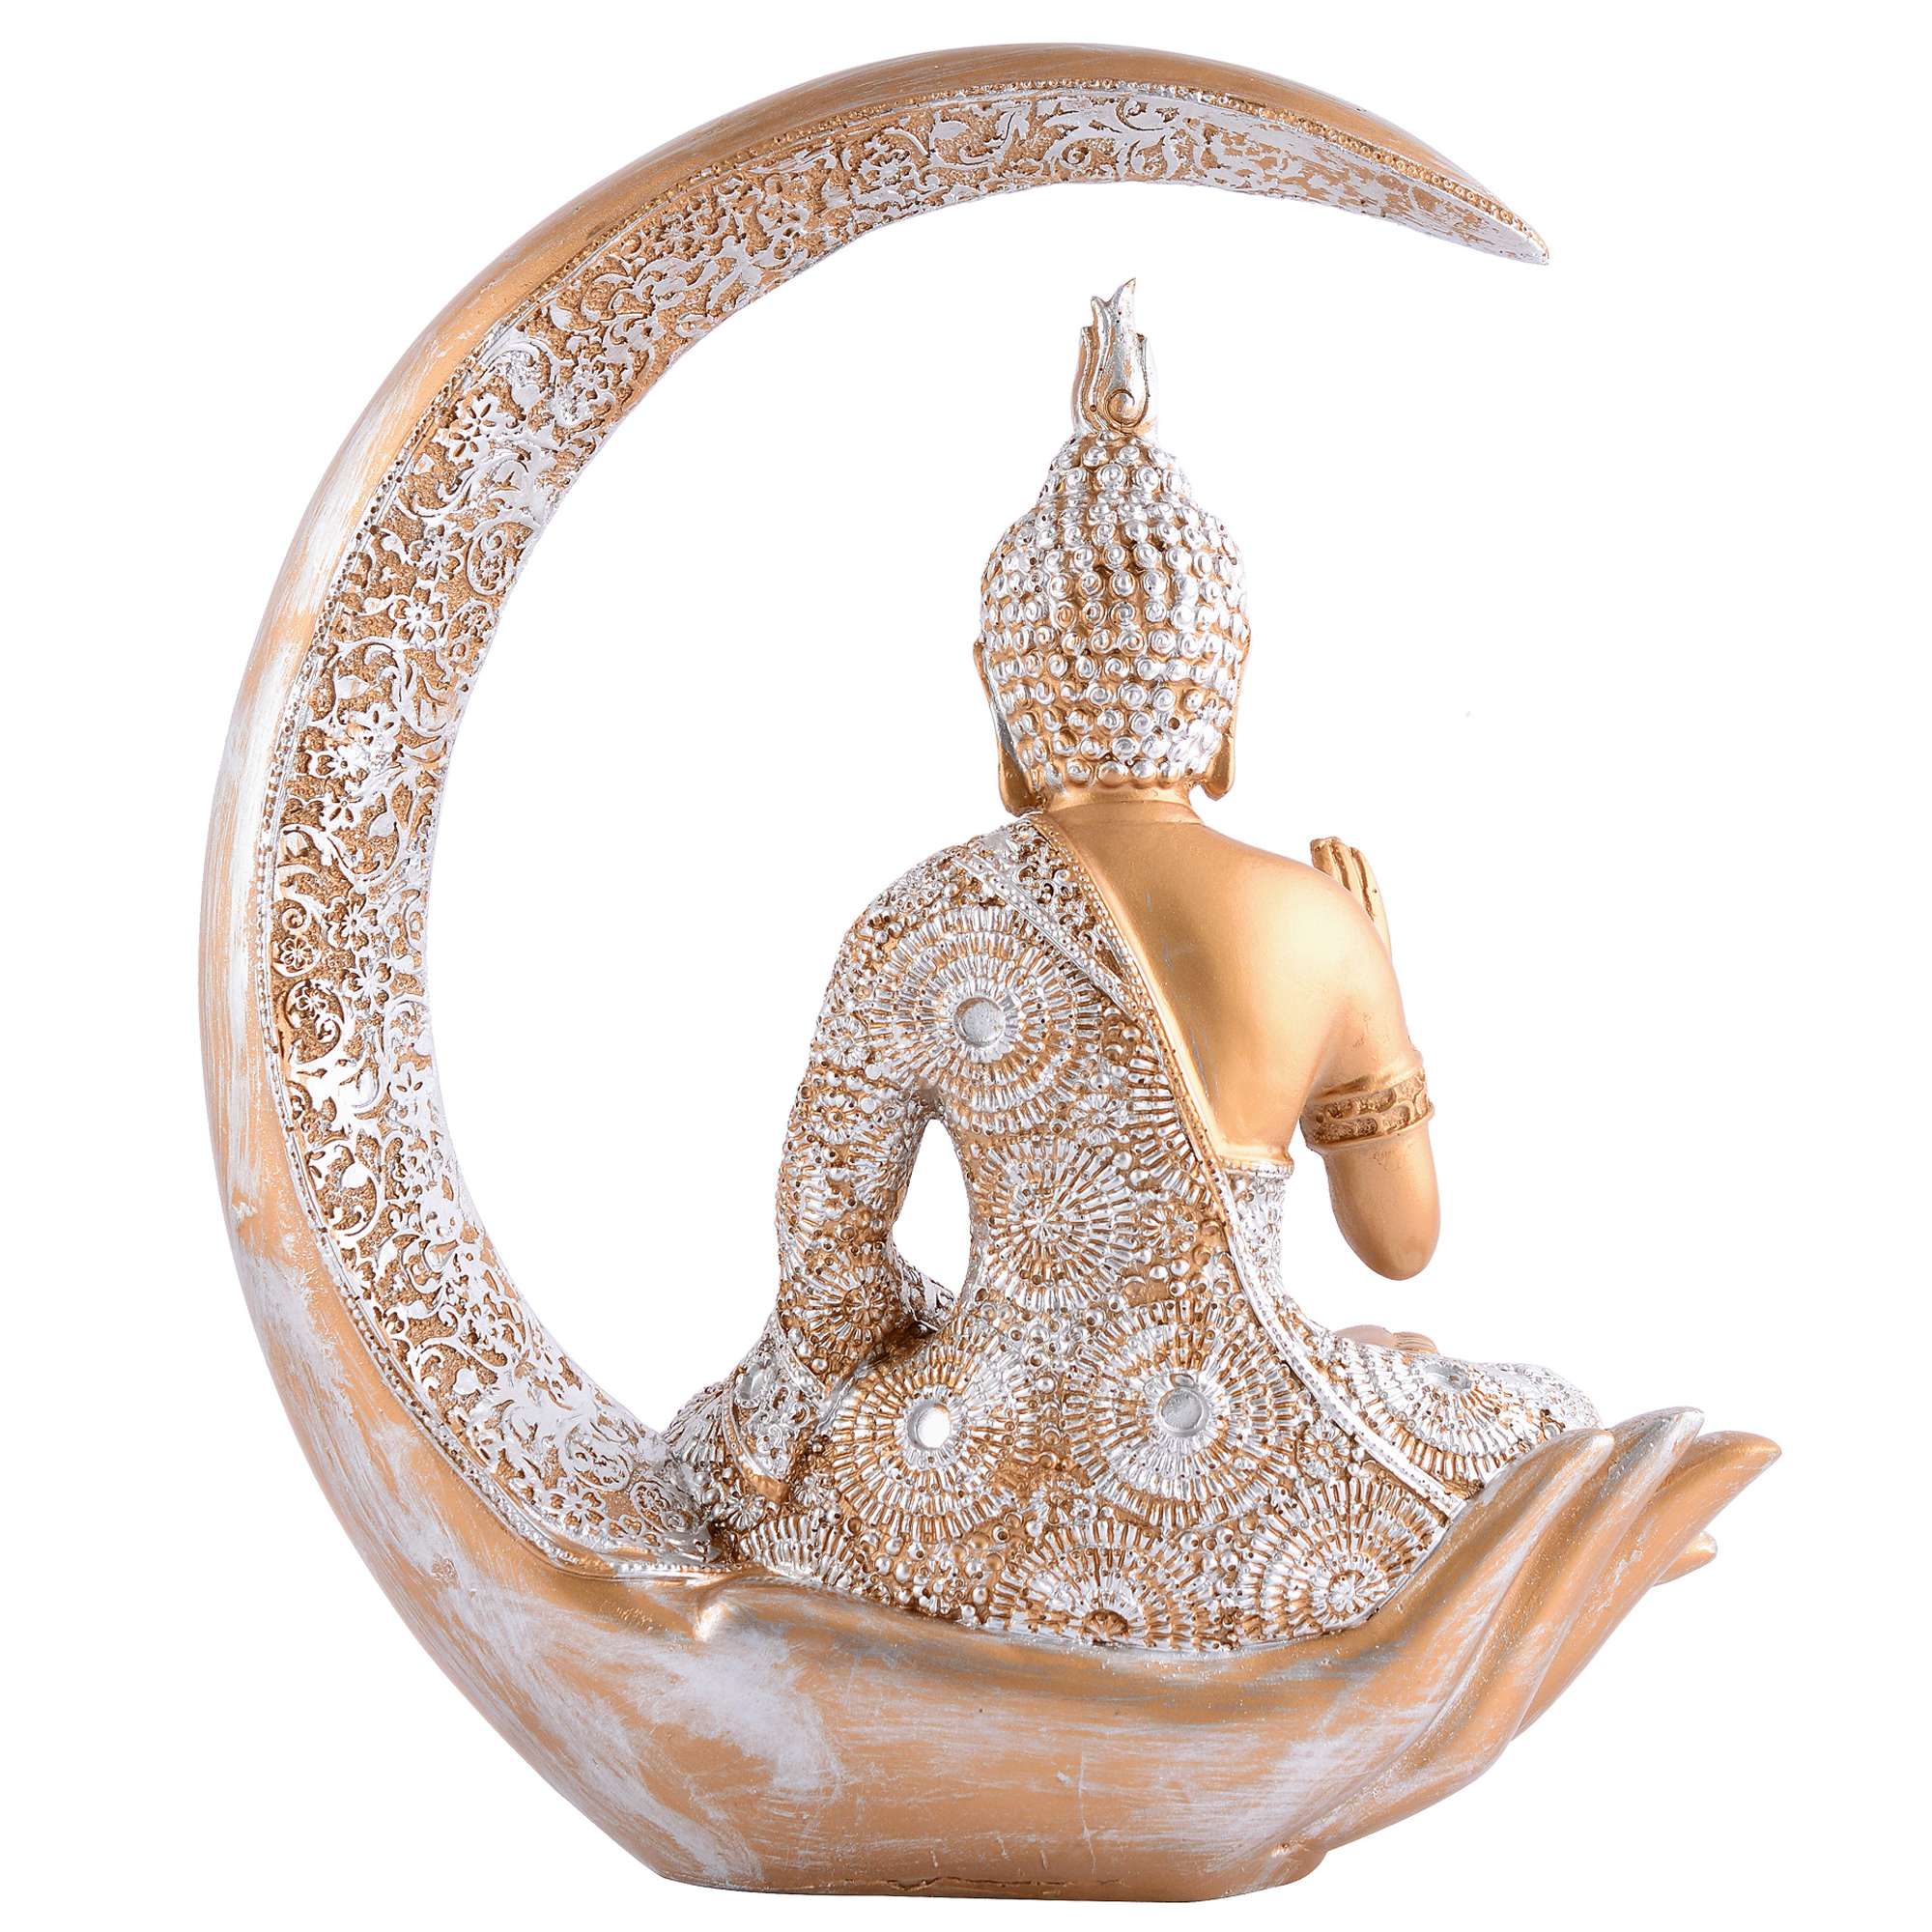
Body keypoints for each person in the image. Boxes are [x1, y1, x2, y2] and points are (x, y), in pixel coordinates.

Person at [669, 286, 1593, 1649]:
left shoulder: (920, 919)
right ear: (1227, 702)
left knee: (711, 1464)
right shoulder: (1318, 920)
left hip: (968, 1491)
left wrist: (991, 1330)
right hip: (1275, 1501)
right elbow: (1402, 1246)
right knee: (1551, 1422)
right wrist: (1372, 985)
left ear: (1001, 698)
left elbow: (829, 1280)